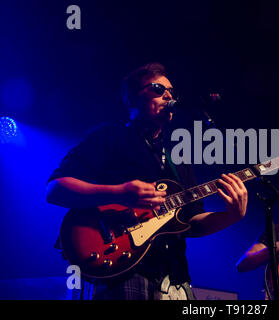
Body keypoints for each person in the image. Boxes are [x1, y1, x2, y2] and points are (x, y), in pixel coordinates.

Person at [46, 62, 248, 300]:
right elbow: (55, 189)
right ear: (133, 98)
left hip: (176, 278)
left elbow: (192, 222)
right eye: (157, 88)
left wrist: (231, 215)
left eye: (171, 91)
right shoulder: (109, 137)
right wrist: (120, 192)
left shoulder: (179, 159)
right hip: (123, 272)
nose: (168, 95)